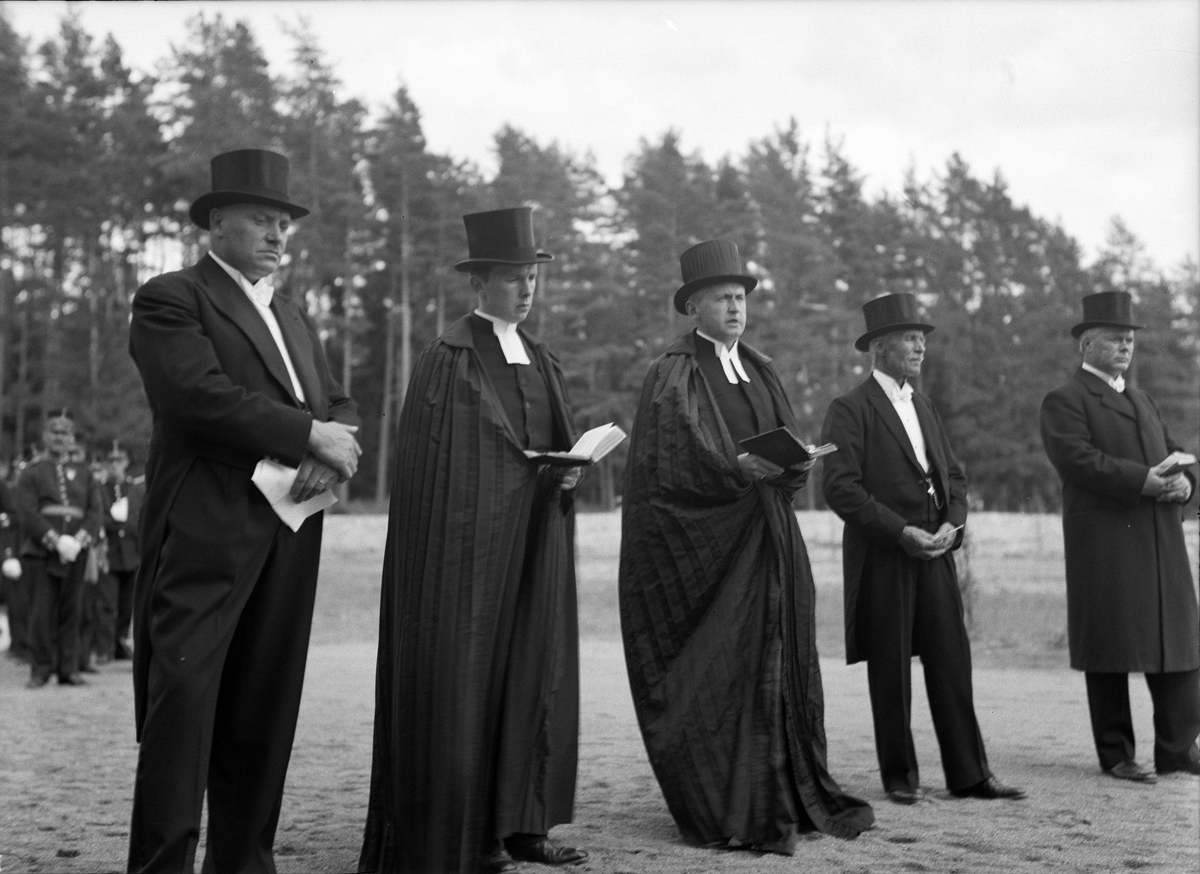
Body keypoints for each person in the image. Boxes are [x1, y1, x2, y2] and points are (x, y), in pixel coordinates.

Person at [125, 148, 361, 874]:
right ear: (216, 222)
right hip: (207, 529)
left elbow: (335, 400)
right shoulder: (172, 298)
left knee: (265, 704)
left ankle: (244, 864)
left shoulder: (292, 314)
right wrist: (307, 434)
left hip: (290, 528)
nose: (277, 234)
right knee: (184, 705)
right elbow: (194, 397)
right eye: (261, 219)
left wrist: (335, 439)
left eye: (283, 223)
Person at [618, 240, 875, 854]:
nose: (735, 308)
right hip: (710, 552)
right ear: (693, 307)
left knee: (782, 663)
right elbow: (665, 469)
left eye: (740, 298)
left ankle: (785, 791)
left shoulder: (760, 367)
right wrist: (734, 470)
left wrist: (793, 463)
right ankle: (729, 804)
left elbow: (783, 445)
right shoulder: (673, 373)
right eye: (721, 299)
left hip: (769, 538)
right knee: (726, 672)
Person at [360, 207, 588, 874]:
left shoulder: (541, 360)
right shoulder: (448, 358)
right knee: (467, 682)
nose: (526, 289)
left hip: (534, 550)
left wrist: (567, 477)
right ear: (479, 284)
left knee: (530, 675)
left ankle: (523, 827)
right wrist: (515, 477)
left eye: (532, 278)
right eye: (514, 278)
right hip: (470, 559)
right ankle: (462, 834)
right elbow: (438, 469)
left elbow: (554, 446)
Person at [820, 293, 1024, 805]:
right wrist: (900, 532)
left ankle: (971, 775)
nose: (920, 347)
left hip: (936, 552)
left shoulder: (925, 405)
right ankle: (900, 777)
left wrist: (954, 524)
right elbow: (840, 488)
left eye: (922, 339)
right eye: (910, 338)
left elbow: (955, 476)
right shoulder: (850, 408)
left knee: (952, 660)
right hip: (886, 553)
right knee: (890, 668)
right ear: (880, 347)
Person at [1039, 291, 1200, 782]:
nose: (1125, 346)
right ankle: (1117, 754)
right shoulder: (1066, 400)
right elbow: (1078, 461)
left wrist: (1185, 483)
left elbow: (1170, 449)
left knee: (1178, 643)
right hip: (1107, 544)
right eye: (1114, 338)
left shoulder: (1142, 399)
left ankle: (1178, 750)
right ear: (1086, 345)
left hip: (1160, 541)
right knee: (1110, 648)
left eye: (1129, 339)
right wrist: (1142, 481)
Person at [15, 411, 104, 688]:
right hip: (41, 552)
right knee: (41, 613)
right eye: (54, 432)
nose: (59, 438)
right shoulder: (31, 472)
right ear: (44, 436)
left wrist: (78, 540)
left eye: (65, 433)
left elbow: (95, 512)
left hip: (76, 551)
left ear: (72, 439)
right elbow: (27, 512)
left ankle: (68, 668)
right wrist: (55, 540)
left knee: (72, 611)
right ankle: (41, 669)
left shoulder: (85, 473)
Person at [101, 443, 143, 660]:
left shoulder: (134, 489)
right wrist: (116, 522)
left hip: (130, 553)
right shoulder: (100, 488)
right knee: (107, 604)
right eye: (111, 461)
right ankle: (105, 647)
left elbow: (140, 517)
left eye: (119, 461)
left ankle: (119, 643)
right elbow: (97, 515)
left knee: (127, 606)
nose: (115, 465)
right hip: (109, 553)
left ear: (126, 463)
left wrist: (126, 523)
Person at [2, 458, 29, 662]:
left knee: (19, 601)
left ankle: (23, 645)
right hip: (10, 550)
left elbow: (13, 522)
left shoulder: (8, 490)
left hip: (18, 552)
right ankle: (18, 644)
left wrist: (10, 554)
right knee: (14, 601)